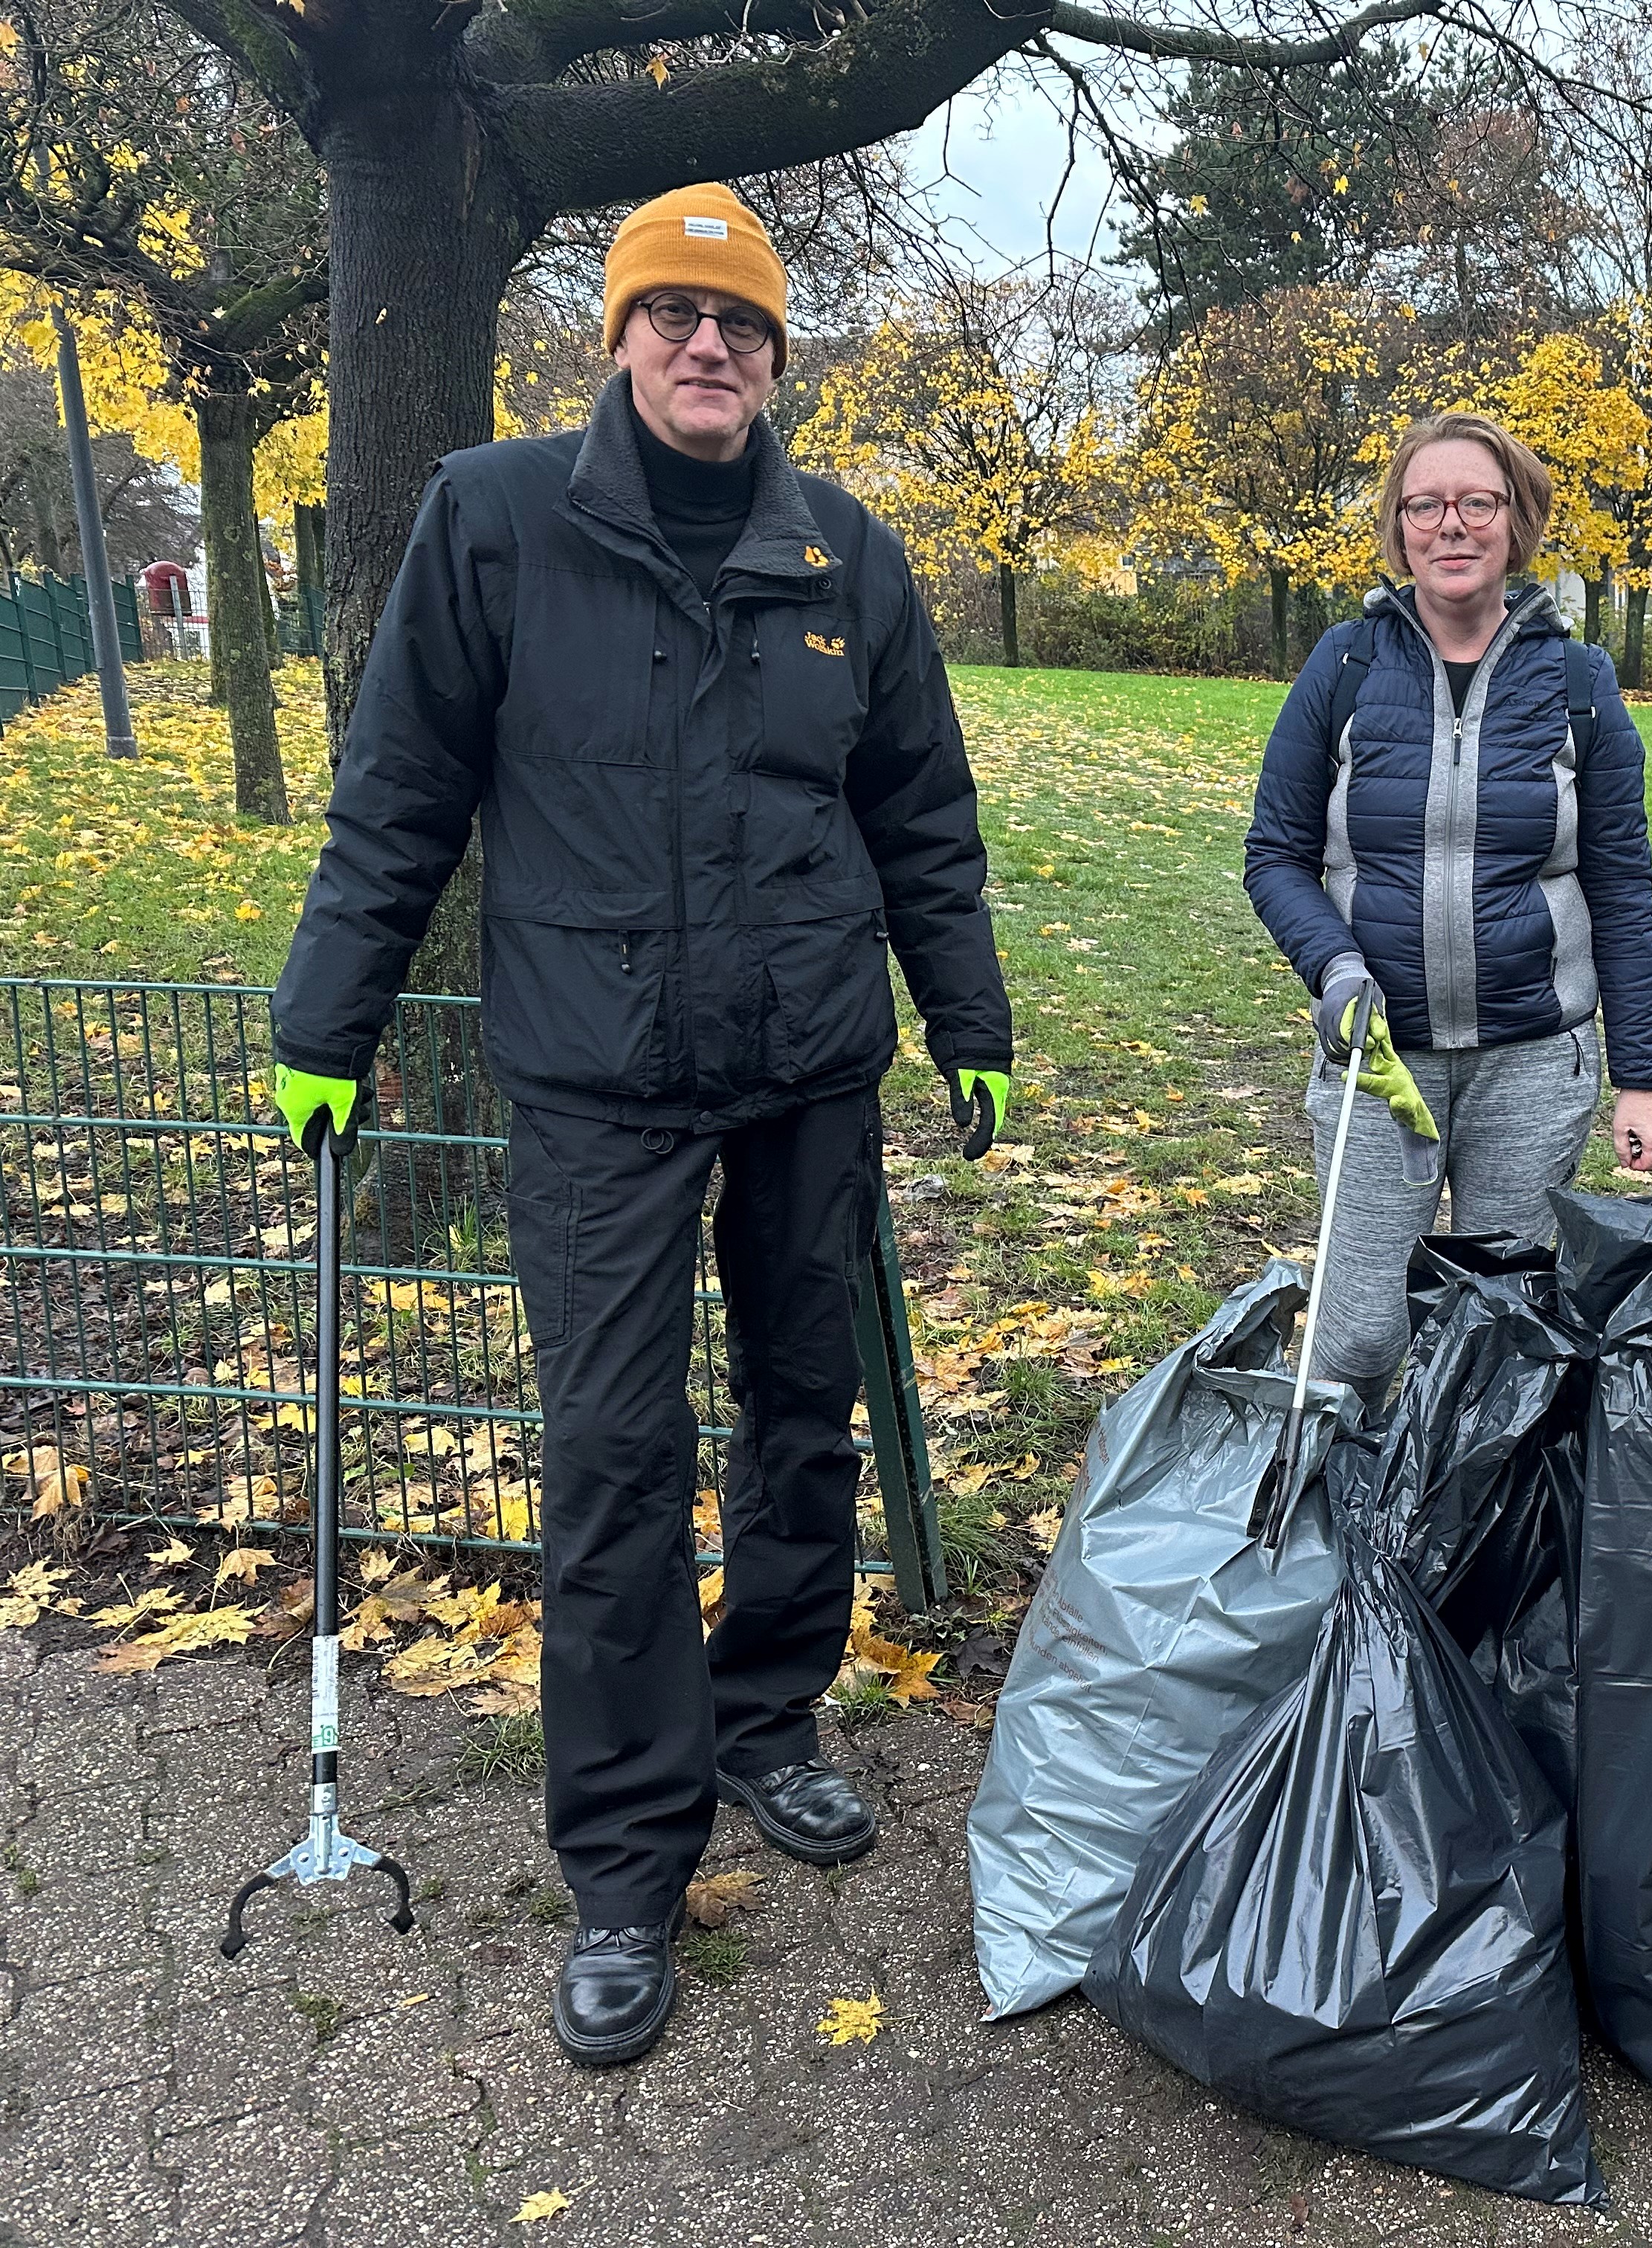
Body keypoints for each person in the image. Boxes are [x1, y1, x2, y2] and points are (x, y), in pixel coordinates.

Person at [265, 184, 1013, 2067]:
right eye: (673, 314)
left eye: (742, 324)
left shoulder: (845, 553)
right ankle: (622, 1862)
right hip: (594, 1077)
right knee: (611, 1459)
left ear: (777, 360)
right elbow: (401, 787)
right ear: (617, 338)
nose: (708, 346)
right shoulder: (498, 520)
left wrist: (967, 1016)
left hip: (807, 1067)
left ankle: (770, 1718)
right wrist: (324, 1017)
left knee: (798, 1412)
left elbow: (921, 807)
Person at [1244, 412, 1652, 1392]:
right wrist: (1337, 966)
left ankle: (1467, 1540)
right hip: (1379, 1063)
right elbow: (1275, 854)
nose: (1452, 525)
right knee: (1355, 1341)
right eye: (1425, 505)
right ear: (1398, 530)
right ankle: (1343, 1530)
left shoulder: (1578, 681)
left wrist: (1641, 1076)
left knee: (1500, 1340)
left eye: (1477, 503)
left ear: (1515, 521)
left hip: (1533, 1063)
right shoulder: (1345, 666)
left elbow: (1620, 884)